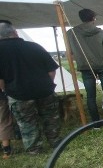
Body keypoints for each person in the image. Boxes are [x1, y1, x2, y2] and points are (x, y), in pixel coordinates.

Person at [0, 21, 64, 154]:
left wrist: (6, 91)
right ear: (15, 32)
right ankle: (56, 141)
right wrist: (48, 84)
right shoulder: (34, 46)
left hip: (19, 93)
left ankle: (34, 149)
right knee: (51, 118)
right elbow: (51, 70)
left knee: (27, 123)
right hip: (44, 90)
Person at [66, 8, 103, 121]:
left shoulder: (71, 33)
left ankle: (95, 122)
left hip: (85, 66)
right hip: (102, 65)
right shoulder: (101, 33)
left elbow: (69, 51)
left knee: (91, 96)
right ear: (93, 18)